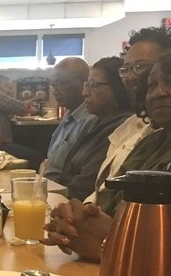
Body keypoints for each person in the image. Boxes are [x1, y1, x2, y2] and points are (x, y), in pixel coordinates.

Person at [44, 48, 171, 261]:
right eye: (151, 85)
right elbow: (107, 201)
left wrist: (112, 244)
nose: (159, 92)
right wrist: (75, 220)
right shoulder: (150, 142)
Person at [85, 26, 171, 201]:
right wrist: (85, 211)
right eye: (151, 85)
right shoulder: (141, 134)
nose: (159, 92)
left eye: (141, 66)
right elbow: (107, 193)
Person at [54, 57, 132, 201]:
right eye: (86, 85)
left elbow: (83, 188)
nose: (85, 93)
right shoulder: (96, 122)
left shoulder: (119, 129)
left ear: (118, 89)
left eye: (94, 85)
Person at [43, 57, 96, 180]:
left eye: (61, 84)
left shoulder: (91, 120)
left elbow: (77, 175)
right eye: (53, 86)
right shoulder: (70, 115)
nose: (54, 92)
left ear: (83, 83)